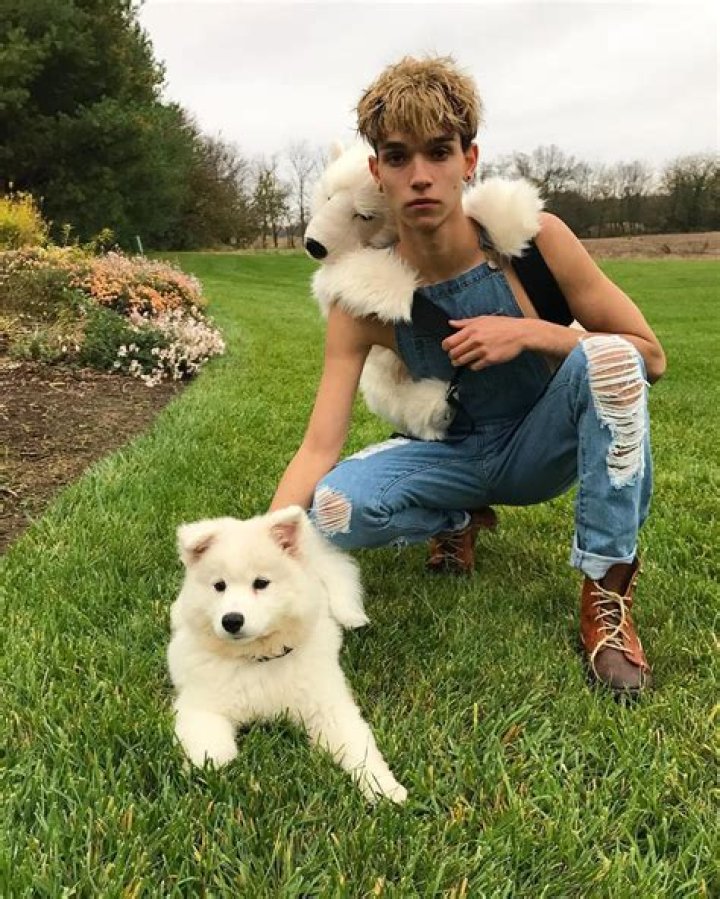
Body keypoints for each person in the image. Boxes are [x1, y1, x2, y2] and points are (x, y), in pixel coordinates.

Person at [270, 56, 666, 694]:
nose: (420, 176)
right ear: (376, 172)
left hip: (538, 445)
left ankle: (606, 592)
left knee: (613, 357)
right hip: (450, 455)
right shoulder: (359, 298)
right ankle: (455, 522)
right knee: (336, 510)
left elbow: (651, 356)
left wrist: (530, 333)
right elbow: (319, 446)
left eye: (439, 152)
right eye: (398, 157)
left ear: (469, 160)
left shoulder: (535, 242)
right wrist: (264, 554)